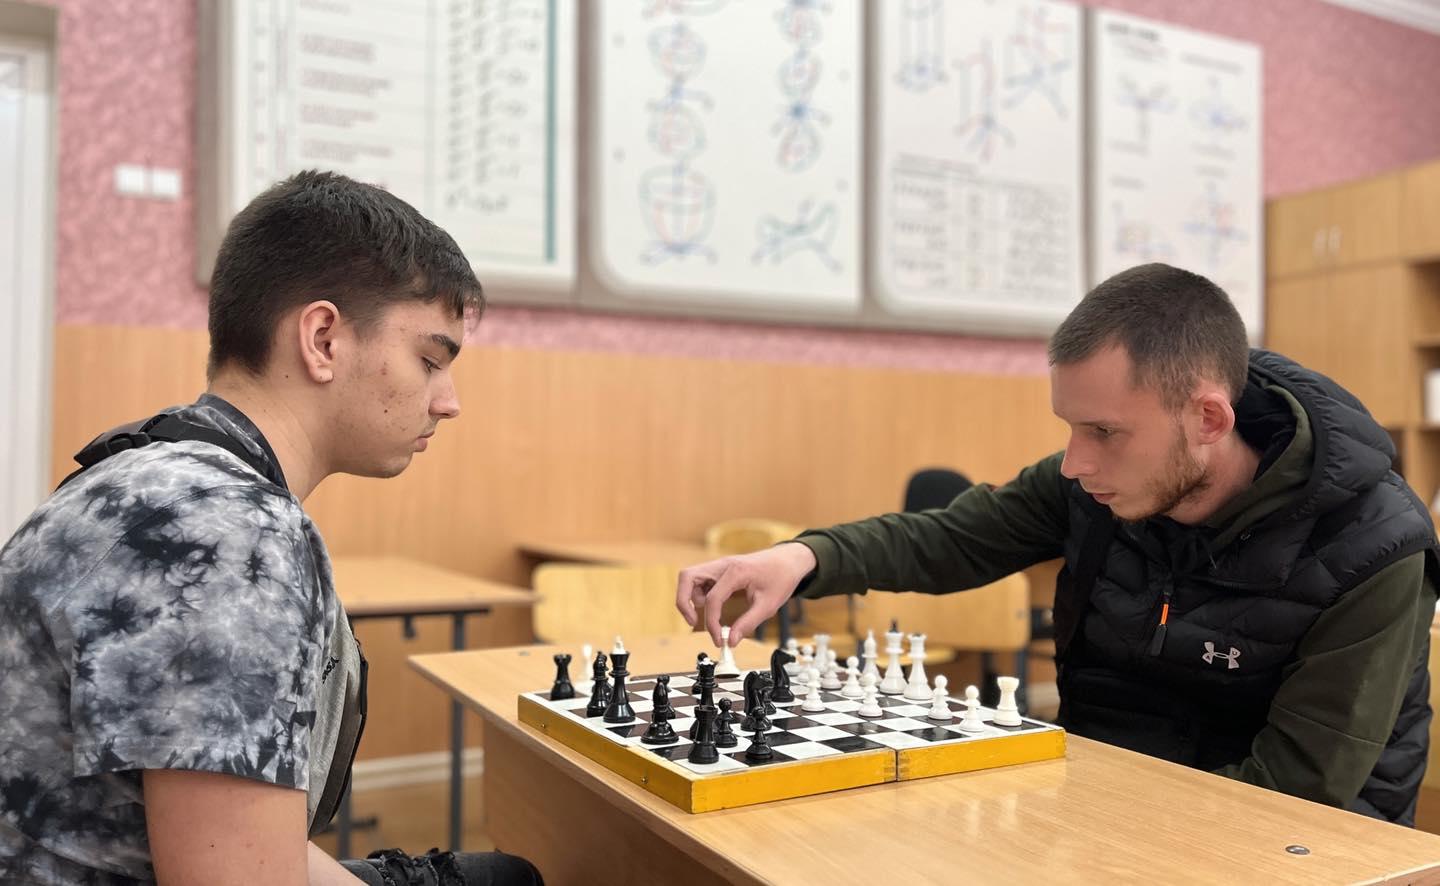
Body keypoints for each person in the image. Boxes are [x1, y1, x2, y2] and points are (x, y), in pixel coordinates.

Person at [677, 263, 1439, 825]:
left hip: (1288, 851)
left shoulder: (1375, 547)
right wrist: (802, 558)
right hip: (1103, 815)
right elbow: (953, 538)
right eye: (1071, 428)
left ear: (1209, 418)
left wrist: (1075, 833)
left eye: (1104, 431)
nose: (1075, 463)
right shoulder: (1100, 486)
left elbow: (1295, 797)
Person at [0, 171, 541, 885]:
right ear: (322, 339)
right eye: (430, 361)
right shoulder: (226, 533)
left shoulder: (155, 470)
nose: (448, 402)